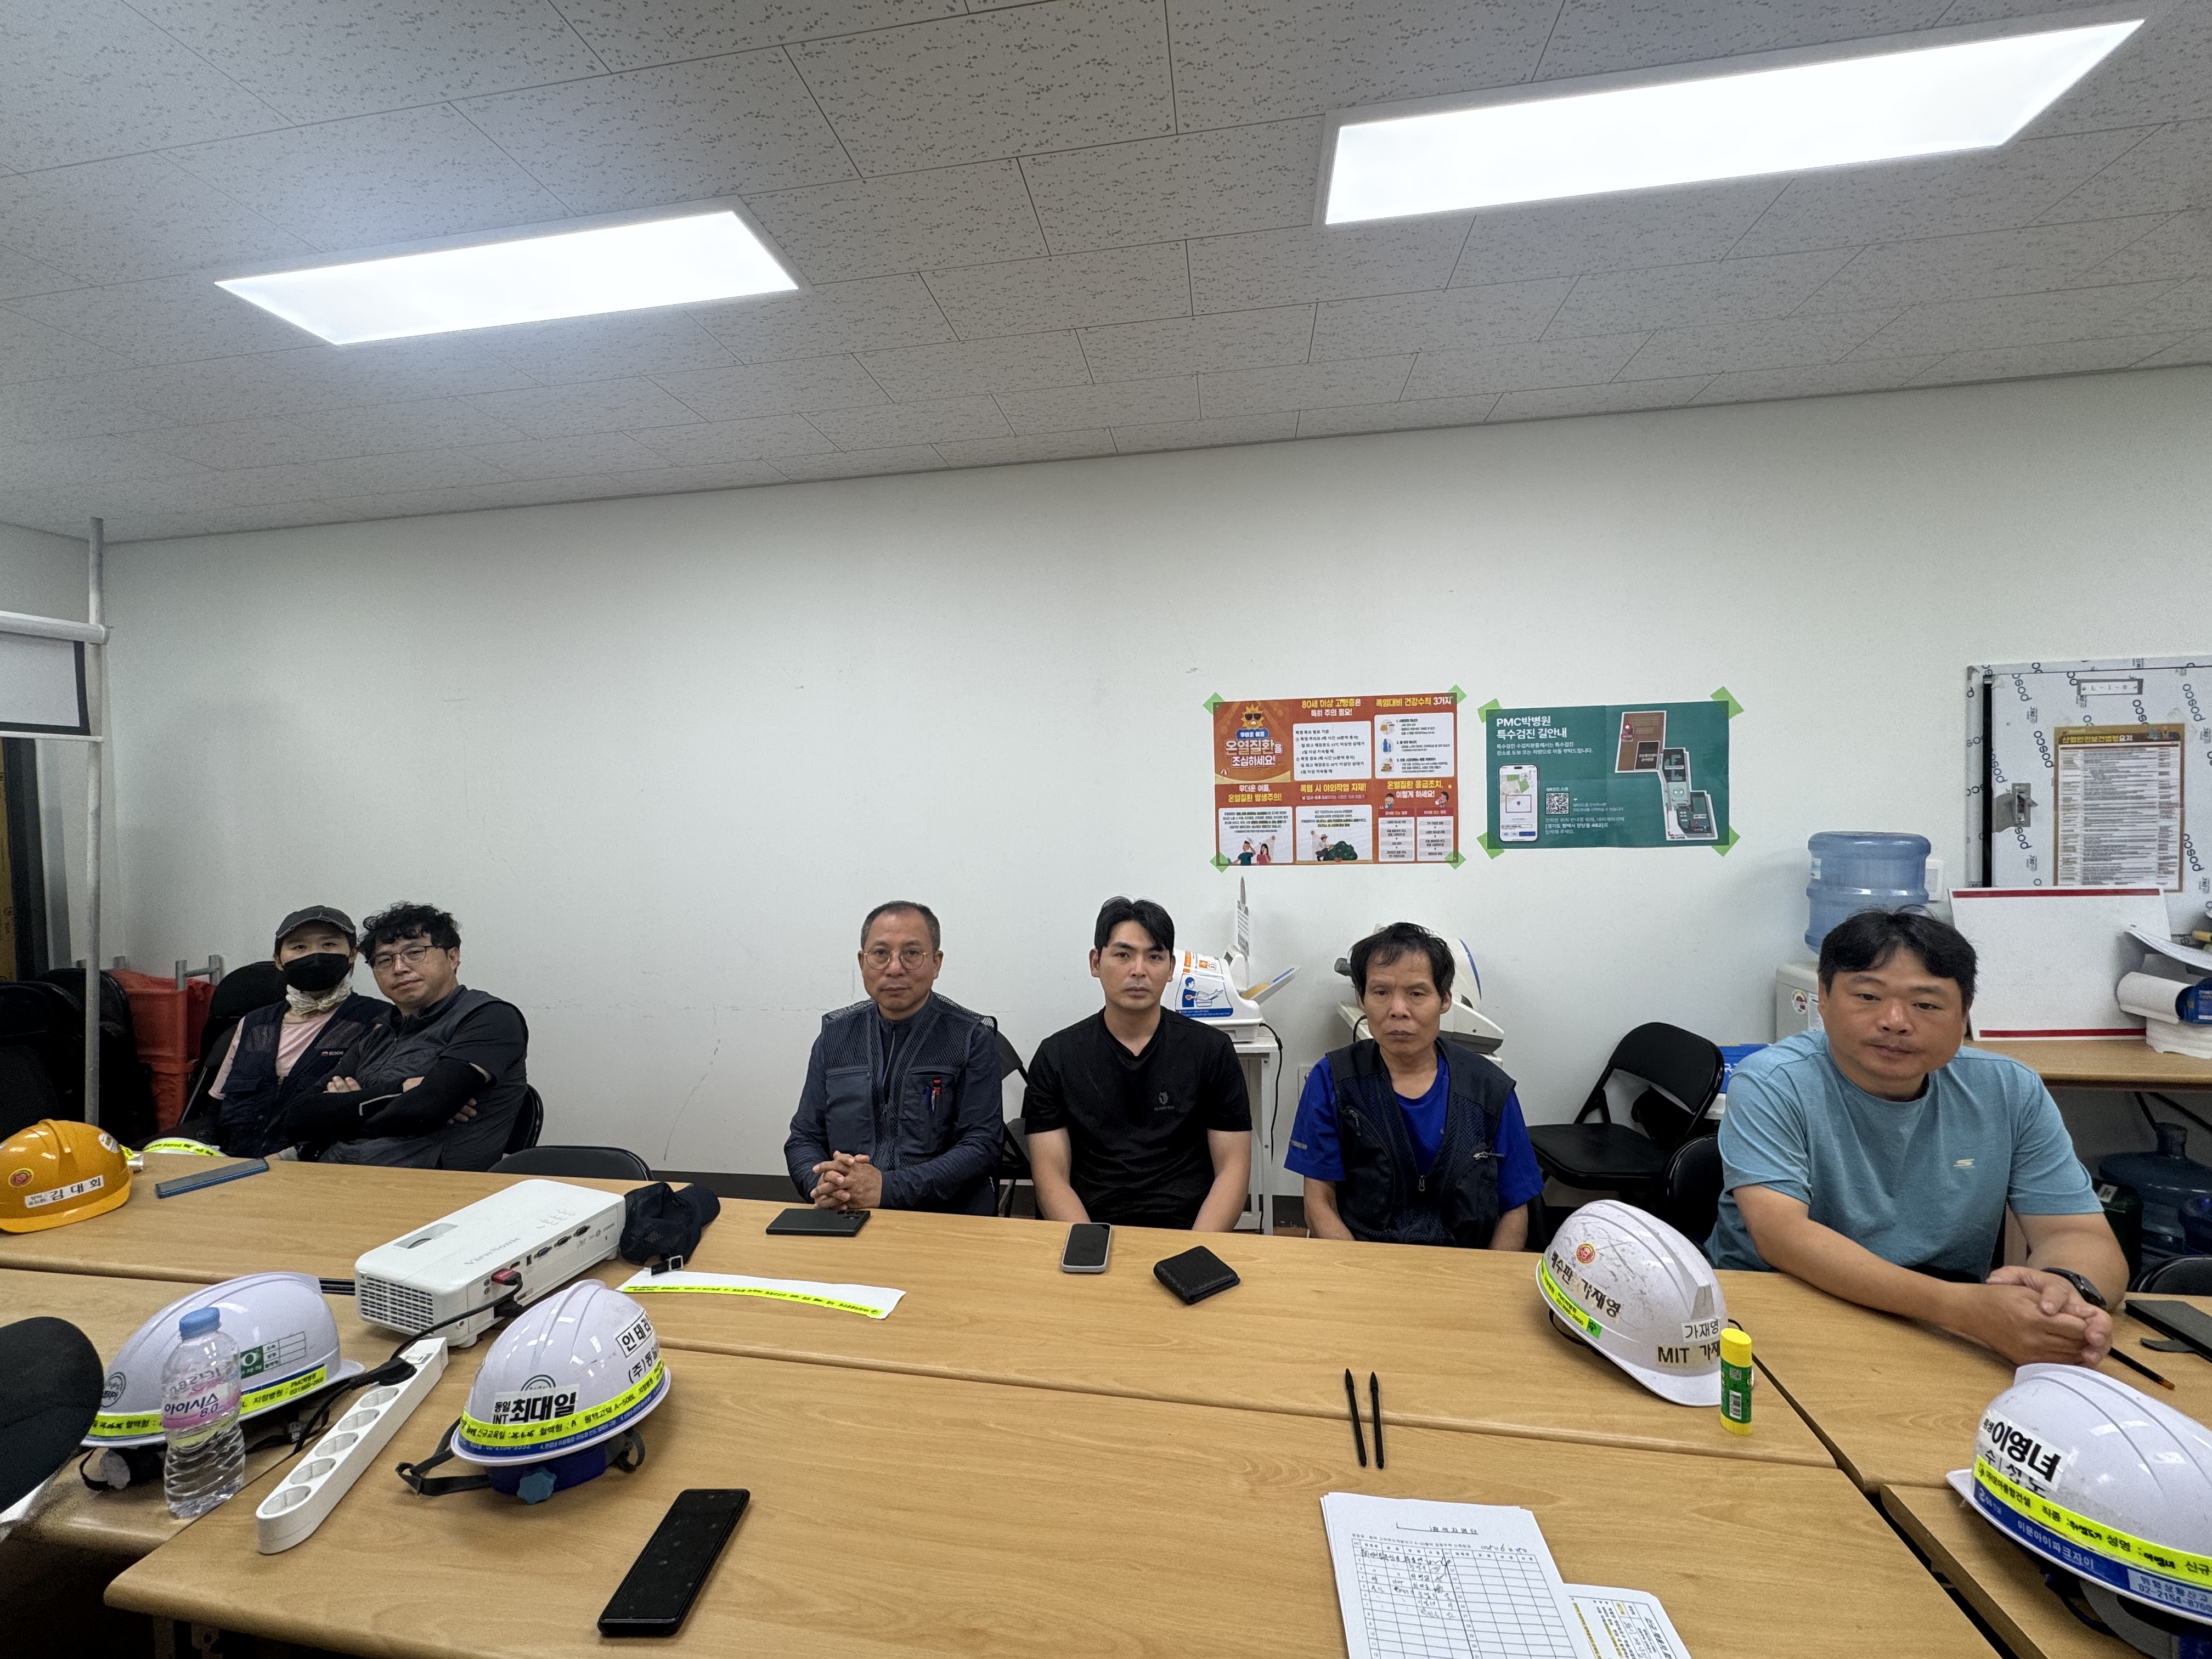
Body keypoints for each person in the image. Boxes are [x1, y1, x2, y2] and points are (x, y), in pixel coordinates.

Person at [1706, 910, 2126, 1367]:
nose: (1895, 1021)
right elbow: (1783, 1236)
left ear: (1964, 1014)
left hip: (1942, 1329)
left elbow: (2076, 1231)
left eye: (1925, 1005)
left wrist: (2065, 1295)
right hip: (1785, 1310)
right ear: (1823, 998)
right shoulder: (1774, 1081)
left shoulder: (2010, 1089)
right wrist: (1966, 1310)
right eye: (1868, 996)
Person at [1286, 923, 1541, 1248]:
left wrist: (1487, 1278)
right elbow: (1319, 1201)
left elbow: (1514, 1209)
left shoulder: (1489, 1088)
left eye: (1417, 994)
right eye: (1381, 992)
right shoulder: (1332, 1079)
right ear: (1362, 999)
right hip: (1364, 1257)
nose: (1398, 1011)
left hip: (1463, 1263)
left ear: (1445, 1000)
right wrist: (1356, 1270)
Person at [1024, 896, 1251, 1231]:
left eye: (1155, 956)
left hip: (1188, 1228)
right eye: (1123, 955)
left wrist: (1197, 1247)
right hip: (1090, 1227)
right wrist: (1089, 1246)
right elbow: (1051, 1178)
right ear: (1095, 962)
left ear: (1171, 968)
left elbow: (1233, 1169)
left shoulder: (1212, 1051)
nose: (1139, 970)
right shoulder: (1056, 1056)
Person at [783, 901, 1002, 1215]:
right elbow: (804, 1137)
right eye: (880, 953)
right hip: (846, 1210)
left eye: (912, 953)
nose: (895, 968)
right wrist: (821, 1184)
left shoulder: (971, 1038)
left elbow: (982, 1146)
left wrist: (887, 1189)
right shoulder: (834, 1037)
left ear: (936, 963)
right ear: (862, 962)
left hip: (941, 1215)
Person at [288, 902, 532, 1170]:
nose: (399, 967)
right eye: (384, 960)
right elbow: (298, 1117)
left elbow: (426, 1109)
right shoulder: (378, 1032)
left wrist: (344, 1114)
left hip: (428, 1185)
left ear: (453, 957)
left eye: (415, 953)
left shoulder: (490, 1018)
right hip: (336, 1173)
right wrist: (400, 1091)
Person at [182, 907, 390, 1158]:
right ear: (279, 961)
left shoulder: (379, 1021)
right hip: (235, 1165)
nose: (314, 955)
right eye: (299, 947)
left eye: (329, 944)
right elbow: (215, 1111)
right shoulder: (254, 1025)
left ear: (352, 954)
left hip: (317, 1167)